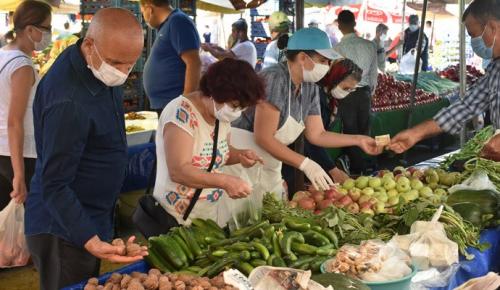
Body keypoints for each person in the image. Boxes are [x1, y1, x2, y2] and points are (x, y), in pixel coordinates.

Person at [25, 9, 148, 290]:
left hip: (90, 214)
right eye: (116, 63)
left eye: (130, 64)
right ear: (90, 45)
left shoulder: (96, 64)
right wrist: (89, 238)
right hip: (63, 228)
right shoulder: (68, 102)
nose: (122, 72)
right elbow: (54, 184)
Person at [226, 28, 381, 207]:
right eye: (323, 60)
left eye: (328, 61)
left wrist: (358, 139)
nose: (327, 66)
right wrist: (305, 164)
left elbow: (317, 134)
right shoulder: (276, 78)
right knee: (241, 213)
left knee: (269, 211)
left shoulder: (310, 87)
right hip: (241, 156)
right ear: (302, 58)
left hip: (269, 159)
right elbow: (263, 137)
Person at [153, 58, 264, 227]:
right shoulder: (181, 114)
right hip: (174, 214)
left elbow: (219, 153)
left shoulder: (220, 114)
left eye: (242, 107)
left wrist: (241, 155)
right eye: (234, 105)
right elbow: (179, 170)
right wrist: (225, 181)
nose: (237, 112)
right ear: (215, 92)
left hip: (206, 214)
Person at [389, 0, 500, 162]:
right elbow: (466, 106)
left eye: (473, 35)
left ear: (492, 27)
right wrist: (415, 134)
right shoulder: (495, 68)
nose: (474, 42)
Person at [0, 1, 51, 213]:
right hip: (20, 154)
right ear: (30, 29)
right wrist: (19, 174)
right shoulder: (22, 65)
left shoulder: (3, 54)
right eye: (46, 28)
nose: (49, 34)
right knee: (27, 223)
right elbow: (15, 121)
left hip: (3, 150)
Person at [333, 10, 378, 175]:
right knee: (364, 129)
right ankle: (365, 165)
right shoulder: (369, 45)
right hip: (365, 93)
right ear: (354, 24)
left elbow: (335, 77)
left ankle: (357, 169)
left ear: (339, 25)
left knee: (350, 131)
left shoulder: (337, 48)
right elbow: (374, 73)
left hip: (348, 94)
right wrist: (370, 92)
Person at [305, 59, 363, 183]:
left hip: (311, 158)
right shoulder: (316, 96)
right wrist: (333, 170)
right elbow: (313, 139)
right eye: (346, 88)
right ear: (335, 78)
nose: (347, 93)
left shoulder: (331, 98)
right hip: (299, 156)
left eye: (351, 90)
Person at [141, 0, 201, 112]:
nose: (144, 17)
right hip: (167, 103)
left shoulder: (178, 21)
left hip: (175, 104)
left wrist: (185, 103)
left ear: (149, 9)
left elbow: (194, 63)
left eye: (143, 12)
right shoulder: (167, 25)